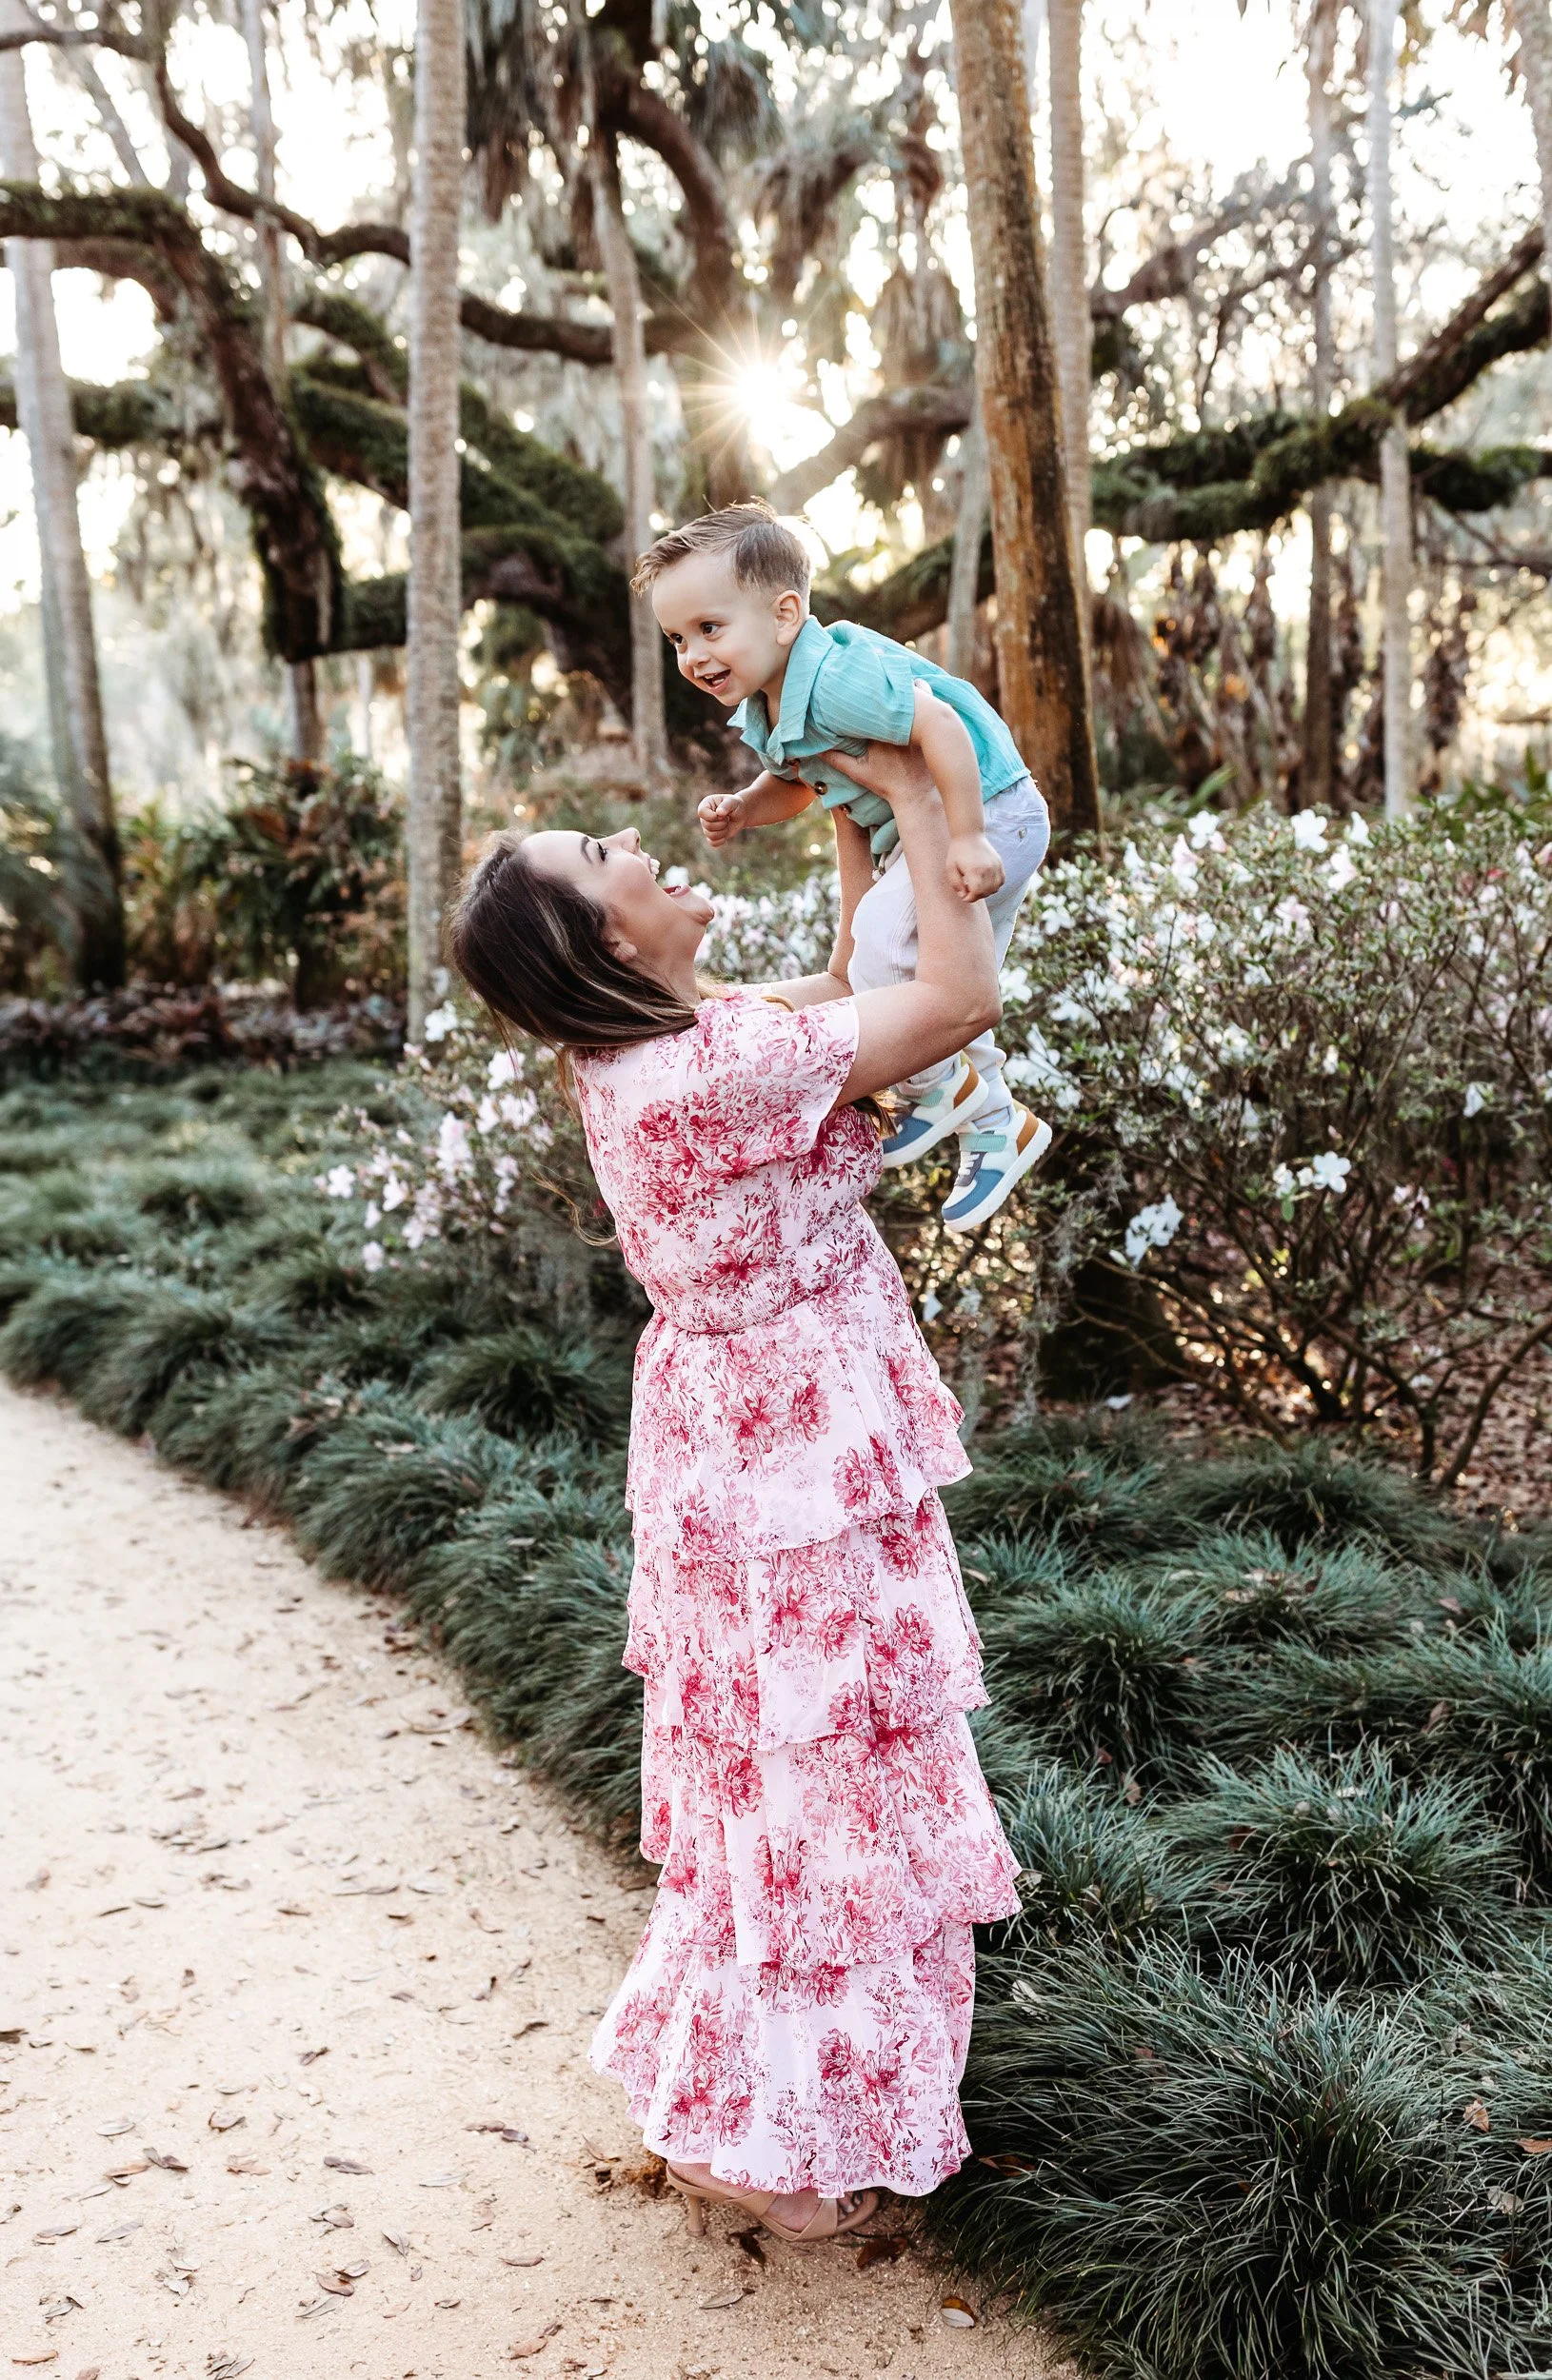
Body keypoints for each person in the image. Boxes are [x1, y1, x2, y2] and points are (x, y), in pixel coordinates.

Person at [448, 739, 1022, 2248]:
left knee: (771, 1773)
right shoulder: (708, 1066)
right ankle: (802, 2130)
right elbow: (956, 1001)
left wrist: (847, 826)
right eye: (601, 856)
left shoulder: (669, 1046)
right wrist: (917, 797)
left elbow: (852, 976)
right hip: (799, 1459)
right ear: (602, 938)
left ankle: (757, 2099)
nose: (635, 849)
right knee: (828, 1769)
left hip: (741, 1444)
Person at [630, 499, 1052, 1232]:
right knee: (947, 973)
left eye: (709, 628)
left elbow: (940, 723)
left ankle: (937, 1083)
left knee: (884, 948)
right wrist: (743, 807)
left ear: (786, 613)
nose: (693, 656)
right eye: (676, 638)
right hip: (958, 828)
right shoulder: (771, 700)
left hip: (989, 813)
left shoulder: (836, 678)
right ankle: (997, 1124)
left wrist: (968, 835)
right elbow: (797, 782)